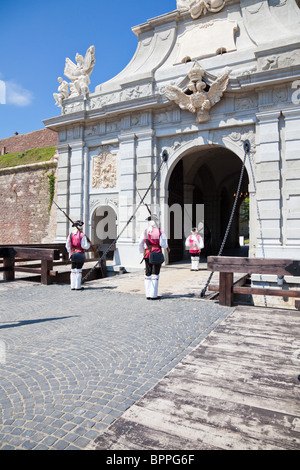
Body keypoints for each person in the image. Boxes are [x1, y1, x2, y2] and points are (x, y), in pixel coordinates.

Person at [139, 214, 168, 300]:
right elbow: (163, 244)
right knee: (155, 273)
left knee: (148, 273)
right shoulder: (160, 232)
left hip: (147, 254)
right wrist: (166, 246)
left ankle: (148, 294)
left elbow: (140, 244)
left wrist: (143, 252)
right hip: (157, 254)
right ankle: (153, 295)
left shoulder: (144, 232)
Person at [66, 220, 90, 290]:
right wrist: (89, 244)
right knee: (78, 270)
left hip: (73, 253)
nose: (81, 227)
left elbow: (67, 245)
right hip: (80, 253)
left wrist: (70, 252)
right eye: (81, 226)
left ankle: (72, 286)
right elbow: (85, 246)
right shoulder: (82, 235)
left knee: (73, 269)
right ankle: (78, 286)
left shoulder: (70, 234)